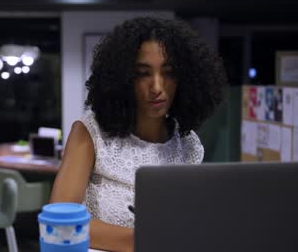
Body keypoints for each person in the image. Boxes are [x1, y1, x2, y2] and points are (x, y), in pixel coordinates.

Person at [50, 16, 227, 252]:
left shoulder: (188, 146)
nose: (157, 87)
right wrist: (147, 240)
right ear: (124, 79)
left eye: (169, 72)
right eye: (143, 73)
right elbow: (60, 225)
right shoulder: (90, 133)